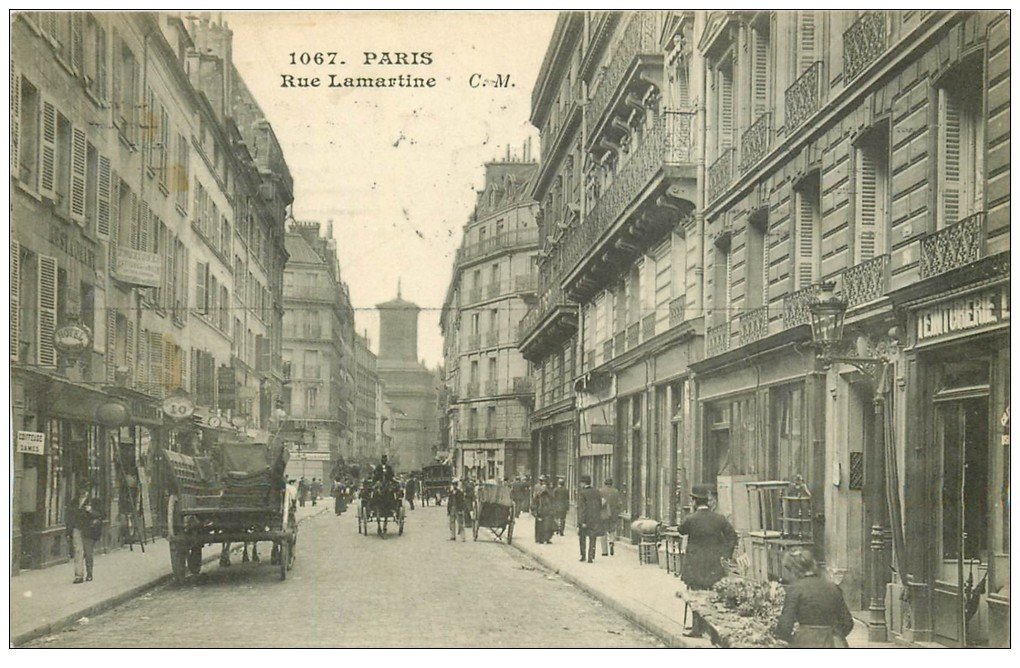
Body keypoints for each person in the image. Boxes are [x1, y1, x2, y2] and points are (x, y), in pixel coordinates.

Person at [678, 484, 738, 638]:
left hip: (695, 563)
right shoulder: (719, 519)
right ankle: (712, 630)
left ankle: (697, 628)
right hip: (713, 563)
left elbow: (681, 530)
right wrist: (725, 554)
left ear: (694, 501)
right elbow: (732, 536)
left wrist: (691, 514)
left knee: (695, 595)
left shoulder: (691, 519)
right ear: (708, 501)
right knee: (712, 595)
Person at [774, 549, 855, 647]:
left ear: (795, 570)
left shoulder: (795, 589)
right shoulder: (833, 587)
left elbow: (785, 624)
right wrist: (833, 634)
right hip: (832, 642)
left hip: (806, 641)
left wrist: (785, 639)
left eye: (789, 571)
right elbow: (848, 622)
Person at [66, 490, 103, 583]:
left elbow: (101, 515)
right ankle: (79, 576)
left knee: (88, 552)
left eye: (85, 491)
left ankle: (89, 573)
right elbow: (70, 517)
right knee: (78, 552)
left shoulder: (94, 501)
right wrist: (68, 531)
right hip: (77, 529)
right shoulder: (74, 502)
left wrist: (90, 511)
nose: (83, 494)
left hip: (89, 530)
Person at [576, 474, 602, 563]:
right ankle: (591, 557)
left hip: (585, 519)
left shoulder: (582, 493)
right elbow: (600, 505)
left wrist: (582, 521)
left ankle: (583, 556)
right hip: (595, 519)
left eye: (581, 483)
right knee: (592, 538)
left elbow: (582, 508)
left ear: (583, 483)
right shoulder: (596, 491)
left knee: (582, 538)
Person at [598, 478, 622, 556]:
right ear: (611, 484)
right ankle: (611, 542)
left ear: (605, 483)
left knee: (603, 532)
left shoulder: (600, 491)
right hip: (613, 514)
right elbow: (619, 504)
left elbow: (598, 504)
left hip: (604, 514)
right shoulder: (616, 491)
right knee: (612, 530)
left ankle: (604, 551)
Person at [532, 476, 556, 544]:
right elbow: (535, 498)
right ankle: (539, 539)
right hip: (540, 508)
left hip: (547, 509)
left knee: (547, 525)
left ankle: (546, 538)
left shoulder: (548, 488)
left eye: (544, 481)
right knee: (540, 524)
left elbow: (552, 497)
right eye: (542, 481)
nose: (543, 482)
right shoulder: (537, 487)